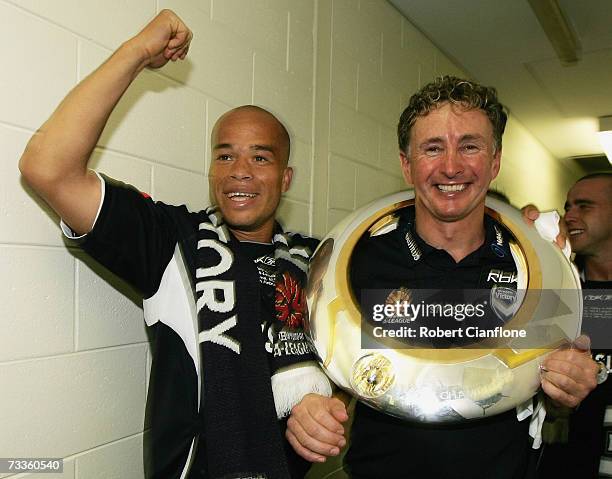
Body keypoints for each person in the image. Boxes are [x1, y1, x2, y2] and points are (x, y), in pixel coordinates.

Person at [18, 10, 332, 479]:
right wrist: (137, 52)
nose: (239, 170)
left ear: (285, 178)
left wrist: (329, 406)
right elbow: (47, 168)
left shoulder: (318, 261)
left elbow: (364, 357)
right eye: (225, 155)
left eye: (260, 157)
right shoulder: (173, 240)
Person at [286, 76, 599, 479]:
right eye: (432, 148)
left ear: (495, 160)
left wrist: (566, 390)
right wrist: (313, 408)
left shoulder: (533, 268)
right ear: (407, 164)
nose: (451, 166)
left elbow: (545, 389)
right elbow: (343, 367)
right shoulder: (359, 263)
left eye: (469, 146)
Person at [538, 172, 612, 478]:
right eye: (568, 206)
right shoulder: (558, 291)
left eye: (584, 206)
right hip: (569, 463)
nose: (569, 215)